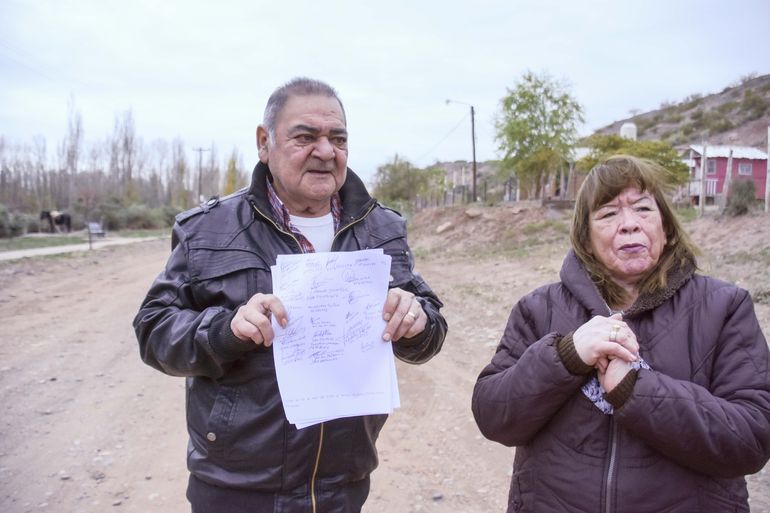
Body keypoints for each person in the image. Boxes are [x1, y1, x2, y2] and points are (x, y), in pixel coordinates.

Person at [134, 77, 447, 513]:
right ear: (265, 143)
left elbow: (430, 330)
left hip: (341, 484)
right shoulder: (207, 229)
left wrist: (416, 321)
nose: (326, 151)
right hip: (237, 486)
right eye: (305, 137)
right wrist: (225, 331)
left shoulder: (382, 228)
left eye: (338, 138)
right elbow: (154, 329)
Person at [471, 155, 770, 512]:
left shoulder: (724, 307)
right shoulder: (538, 309)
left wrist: (635, 389)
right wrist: (566, 356)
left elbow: (753, 438)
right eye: (608, 214)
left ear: (666, 228)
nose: (629, 225)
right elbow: (493, 417)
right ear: (585, 238)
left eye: (643, 209)